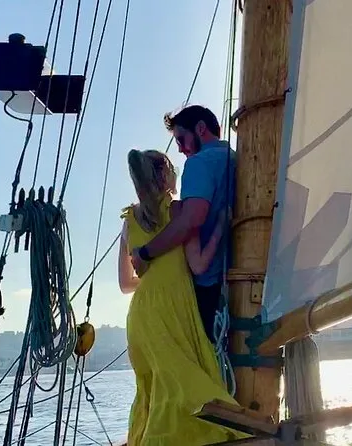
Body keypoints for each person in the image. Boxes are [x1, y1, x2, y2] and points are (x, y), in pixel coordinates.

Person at [118, 149, 247, 445]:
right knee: (190, 384)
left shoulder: (129, 221)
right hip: (173, 310)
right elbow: (198, 264)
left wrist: (153, 278)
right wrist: (220, 227)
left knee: (154, 390)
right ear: (165, 175)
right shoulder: (178, 212)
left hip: (140, 316)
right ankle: (244, 431)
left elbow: (125, 284)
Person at [130, 105, 235, 345]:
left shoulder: (199, 163)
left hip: (207, 289)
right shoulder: (234, 158)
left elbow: (191, 220)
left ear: (200, 128)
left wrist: (144, 253)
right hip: (236, 277)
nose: (179, 148)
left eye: (181, 139)